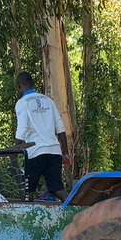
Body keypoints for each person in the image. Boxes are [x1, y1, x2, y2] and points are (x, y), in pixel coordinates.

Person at [13, 72, 71, 202]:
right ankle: (77, 210)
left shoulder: (22, 103)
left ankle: (28, 219)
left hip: (36, 152)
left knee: (28, 190)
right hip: (54, 152)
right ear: (32, 84)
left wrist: (15, 148)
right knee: (57, 189)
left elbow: (23, 127)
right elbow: (60, 127)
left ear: (19, 86)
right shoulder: (48, 100)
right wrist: (65, 153)